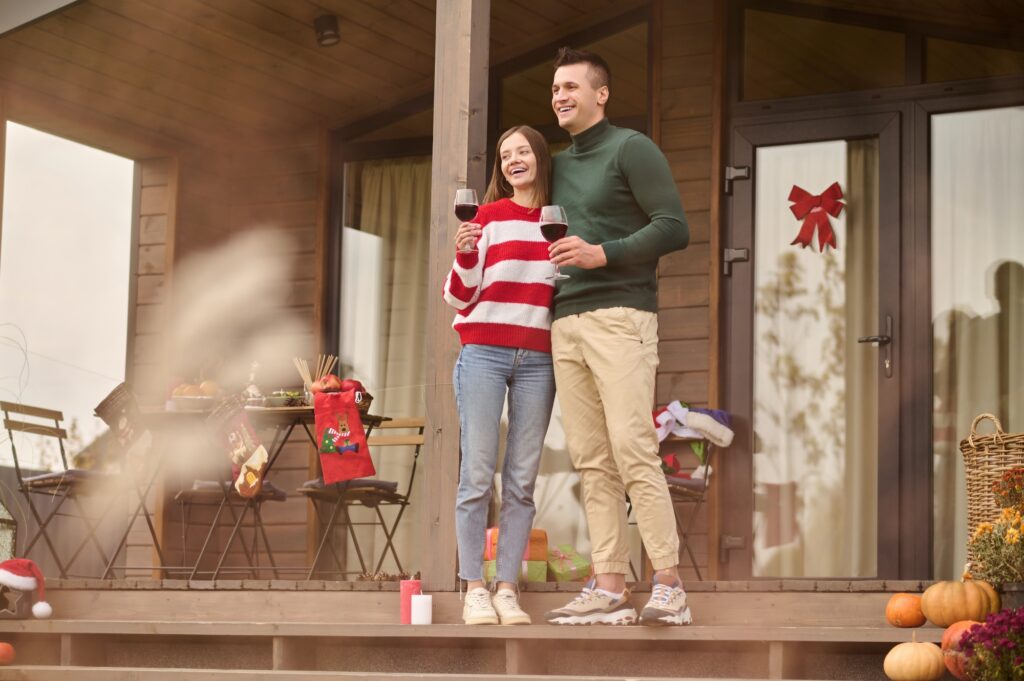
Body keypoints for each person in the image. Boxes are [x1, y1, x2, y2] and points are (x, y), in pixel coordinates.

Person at [542, 47, 692, 626]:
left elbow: (674, 227)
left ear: (600, 94)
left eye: (572, 87)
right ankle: (609, 585)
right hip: (566, 322)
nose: (560, 96)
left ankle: (669, 585)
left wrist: (603, 253)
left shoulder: (632, 148)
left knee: (632, 450)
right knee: (591, 460)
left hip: (622, 318)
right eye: (555, 88)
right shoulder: (558, 163)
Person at [442, 125, 557, 625]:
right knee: (476, 474)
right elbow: (457, 295)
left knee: (522, 481)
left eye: (523, 151)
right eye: (506, 154)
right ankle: (473, 587)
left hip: (538, 359)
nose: (514, 160)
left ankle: (507, 587)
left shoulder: (559, 221)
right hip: (484, 352)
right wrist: (466, 251)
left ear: (539, 158)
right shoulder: (486, 217)